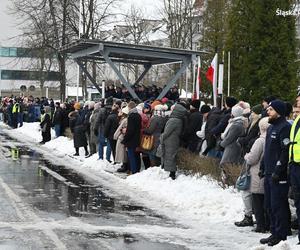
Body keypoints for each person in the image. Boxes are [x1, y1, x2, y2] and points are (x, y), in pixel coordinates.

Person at [259, 100, 291, 246]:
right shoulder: (272, 127)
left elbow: (285, 152)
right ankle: (273, 231)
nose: (267, 112)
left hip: (278, 175)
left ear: (278, 111)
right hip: (268, 173)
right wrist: (262, 165)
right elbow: (268, 150)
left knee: (279, 205)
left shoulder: (284, 127)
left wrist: (279, 170)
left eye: (271, 110)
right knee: (269, 205)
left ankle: (281, 234)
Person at [244, 117, 270, 233]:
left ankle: (260, 225)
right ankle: (267, 223)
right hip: (267, 174)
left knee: (258, 202)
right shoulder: (270, 139)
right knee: (266, 202)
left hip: (257, 174)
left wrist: (246, 155)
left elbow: (252, 158)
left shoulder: (260, 141)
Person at [160, 103, 188, 180]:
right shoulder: (178, 119)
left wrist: (161, 137)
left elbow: (167, 132)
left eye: (172, 109)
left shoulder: (173, 120)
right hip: (173, 140)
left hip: (170, 140)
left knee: (170, 156)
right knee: (171, 155)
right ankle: (171, 173)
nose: (171, 111)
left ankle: (172, 174)